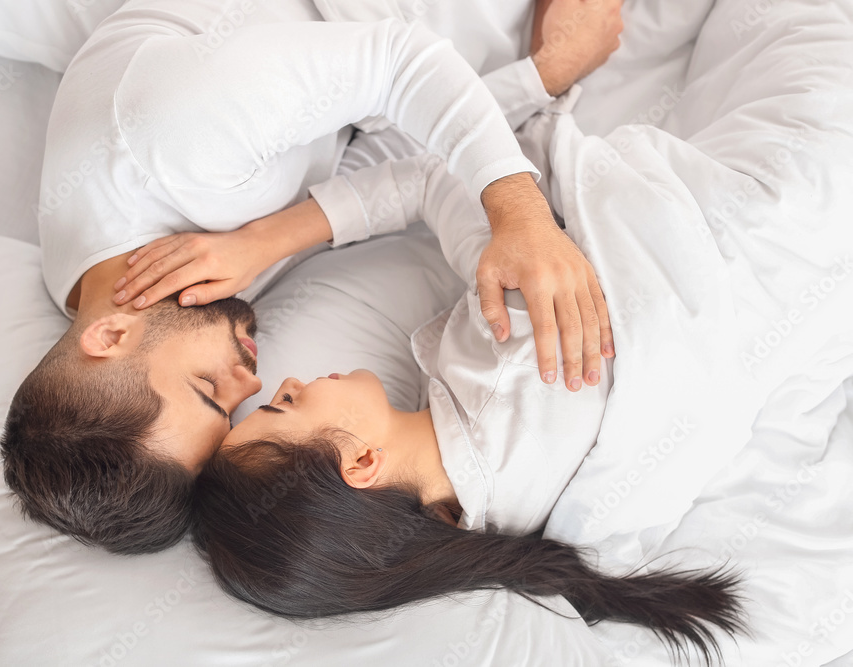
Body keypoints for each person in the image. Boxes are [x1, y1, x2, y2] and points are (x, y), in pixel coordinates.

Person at [1, 0, 623, 554]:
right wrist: (547, 73)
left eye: (206, 388)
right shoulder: (116, 289)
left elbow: (399, 64)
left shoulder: (173, 139)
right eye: (234, 408)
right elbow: (373, 156)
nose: (250, 381)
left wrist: (521, 214)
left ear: (109, 339)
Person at [188, 109, 747, 665]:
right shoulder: (505, 349)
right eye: (284, 406)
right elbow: (438, 177)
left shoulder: (493, 521)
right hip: (734, 211)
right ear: (359, 464)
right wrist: (263, 241)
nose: (286, 382)